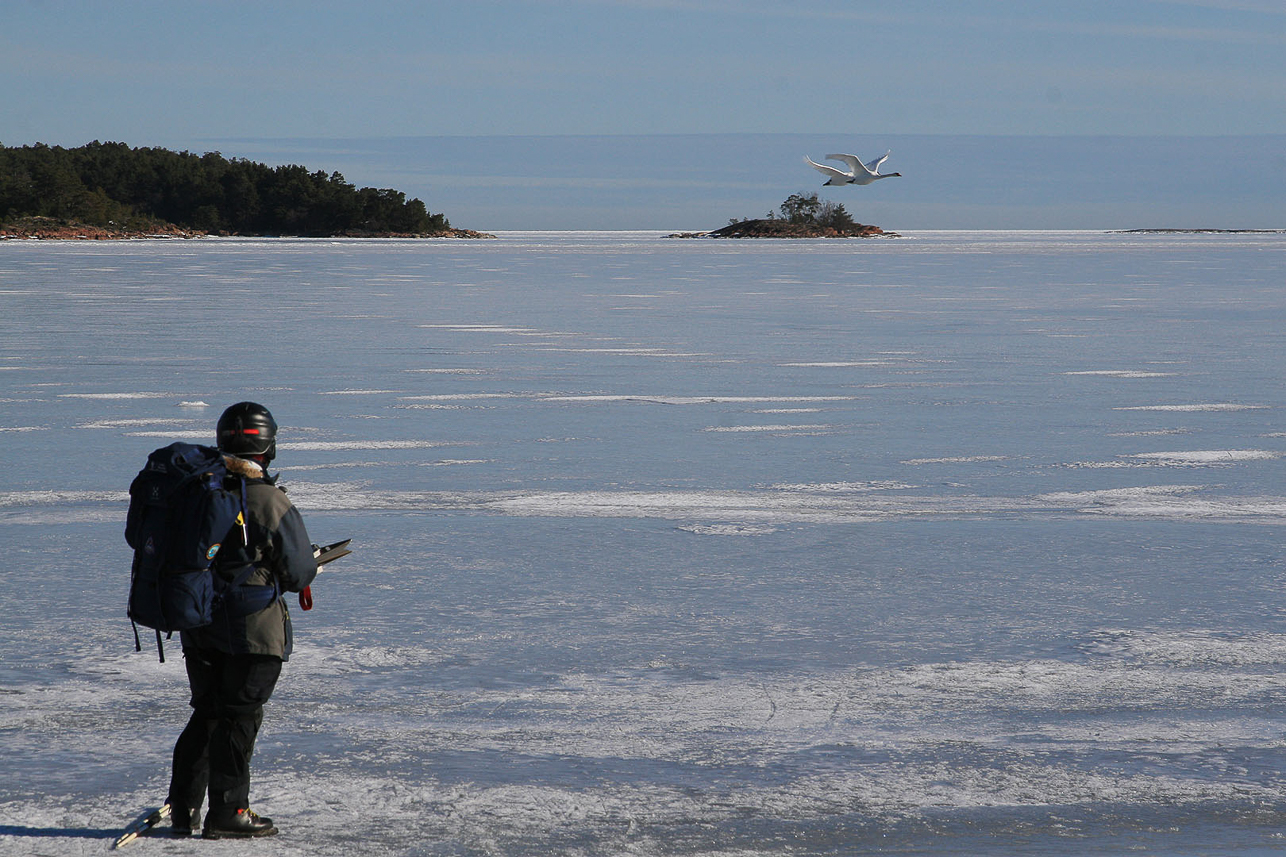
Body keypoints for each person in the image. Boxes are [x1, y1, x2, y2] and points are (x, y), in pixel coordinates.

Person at [167, 402, 318, 839]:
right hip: (252, 633)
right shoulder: (268, 499)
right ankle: (230, 812)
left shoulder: (197, 490)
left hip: (199, 625)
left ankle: (183, 808)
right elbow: (299, 572)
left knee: (208, 713)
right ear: (268, 446)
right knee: (238, 717)